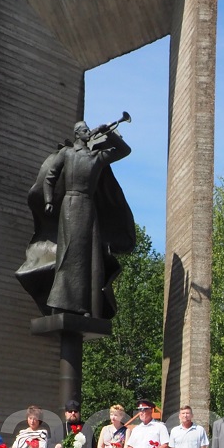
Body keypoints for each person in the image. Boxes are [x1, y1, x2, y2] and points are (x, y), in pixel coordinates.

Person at [17, 117, 136, 318]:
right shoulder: (67, 153)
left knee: (89, 257)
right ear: (77, 134)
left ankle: (85, 306)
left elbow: (125, 151)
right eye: (84, 130)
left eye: (89, 129)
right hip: (70, 205)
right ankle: (57, 303)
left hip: (89, 207)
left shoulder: (96, 157)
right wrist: (48, 200)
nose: (88, 132)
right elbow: (50, 177)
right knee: (68, 253)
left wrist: (109, 134)